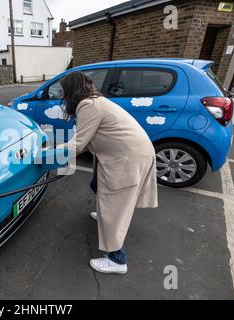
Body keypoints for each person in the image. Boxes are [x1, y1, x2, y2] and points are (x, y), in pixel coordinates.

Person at [57, 71, 158, 274]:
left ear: (71, 90)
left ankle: (117, 259)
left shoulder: (88, 105)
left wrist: (43, 155)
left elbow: (77, 145)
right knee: (96, 186)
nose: (62, 95)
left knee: (113, 205)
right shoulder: (95, 101)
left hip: (128, 160)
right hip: (131, 153)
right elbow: (85, 141)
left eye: (63, 91)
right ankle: (109, 215)